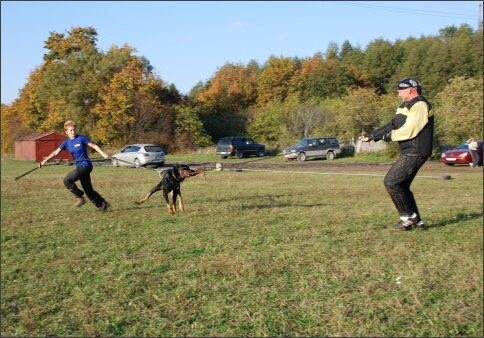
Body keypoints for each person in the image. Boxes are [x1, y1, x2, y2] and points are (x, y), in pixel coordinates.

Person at [361, 78, 433, 230]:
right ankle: (417, 221)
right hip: (409, 151)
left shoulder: (420, 105)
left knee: (392, 182)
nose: (398, 93)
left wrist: (389, 136)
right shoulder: (404, 106)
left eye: (400, 90)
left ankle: (408, 217)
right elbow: (392, 124)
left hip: (416, 151)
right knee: (402, 186)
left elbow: (410, 130)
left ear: (409, 90)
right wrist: (372, 136)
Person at [39, 120, 111, 211]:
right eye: (71, 130)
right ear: (66, 132)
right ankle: (104, 205)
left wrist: (102, 153)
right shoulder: (66, 142)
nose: (73, 132)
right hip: (79, 166)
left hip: (86, 165)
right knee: (88, 190)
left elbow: (93, 146)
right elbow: (55, 153)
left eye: (74, 129)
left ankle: (80, 197)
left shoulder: (81, 138)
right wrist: (44, 161)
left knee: (67, 180)